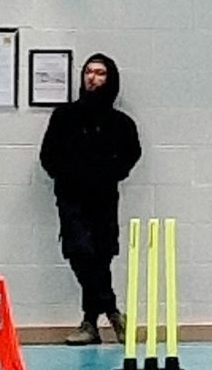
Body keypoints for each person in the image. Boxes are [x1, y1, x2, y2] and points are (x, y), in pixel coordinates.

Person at [39, 54, 142, 345]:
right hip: (71, 196)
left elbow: (132, 154)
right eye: (88, 72)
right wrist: (65, 174)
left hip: (104, 197)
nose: (92, 78)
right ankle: (111, 309)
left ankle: (90, 323)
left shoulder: (121, 123)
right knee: (80, 251)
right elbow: (48, 154)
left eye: (100, 73)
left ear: (110, 79)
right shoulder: (64, 116)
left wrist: (111, 173)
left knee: (101, 256)